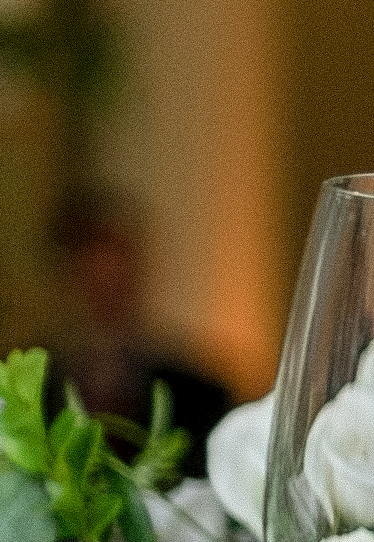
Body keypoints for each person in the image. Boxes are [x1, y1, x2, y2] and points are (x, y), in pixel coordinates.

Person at [46, 187, 236, 452]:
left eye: (115, 276)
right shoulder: (38, 389)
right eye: (95, 280)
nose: (106, 289)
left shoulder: (197, 396)